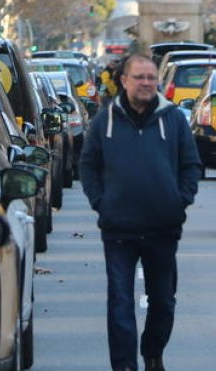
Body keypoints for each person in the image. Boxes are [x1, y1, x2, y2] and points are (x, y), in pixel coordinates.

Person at [80, 54, 203, 371]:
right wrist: (101, 202)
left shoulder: (173, 118)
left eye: (151, 77)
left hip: (163, 228)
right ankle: (123, 365)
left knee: (163, 302)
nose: (147, 83)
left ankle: (152, 352)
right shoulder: (104, 120)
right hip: (118, 229)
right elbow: (88, 165)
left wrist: (179, 200)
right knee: (120, 302)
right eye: (140, 77)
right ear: (124, 80)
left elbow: (191, 165)